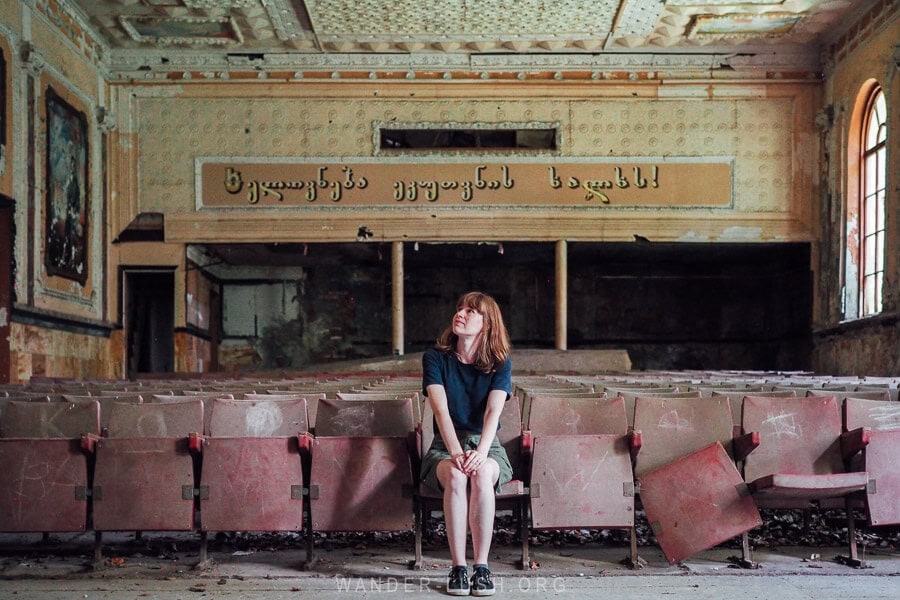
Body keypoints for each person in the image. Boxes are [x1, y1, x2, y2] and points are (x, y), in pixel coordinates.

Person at [420, 291, 513, 596]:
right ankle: (459, 567)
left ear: (486, 324)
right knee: (458, 475)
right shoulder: (435, 358)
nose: (460, 314)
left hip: (487, 444)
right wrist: (458, 453)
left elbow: (493, 411)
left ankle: (482, 568)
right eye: (459, 308)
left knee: (483, 472)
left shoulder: (500, 362)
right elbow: (440, 410)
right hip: (446, 445)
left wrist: (481, 453)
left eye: (470, 311)